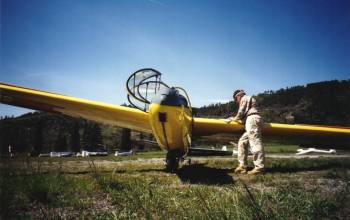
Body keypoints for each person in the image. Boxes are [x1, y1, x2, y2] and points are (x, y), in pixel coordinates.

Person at [225, 89, 265, 175]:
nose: (237, 101)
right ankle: (242, 166)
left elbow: (241, 112)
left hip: (252, 120)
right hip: (251, 120)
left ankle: (259, 168)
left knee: (255, 142)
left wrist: (233, 119)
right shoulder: (249, 100)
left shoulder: (244, 98)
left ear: (238, 96)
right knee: (242, 142)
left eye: (236, 99)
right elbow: (244, 117)